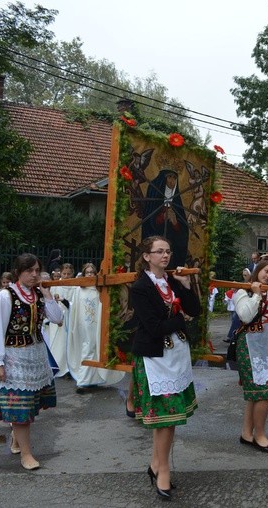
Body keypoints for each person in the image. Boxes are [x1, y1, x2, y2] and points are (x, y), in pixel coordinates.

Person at [129, 236, 201, 501]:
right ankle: (163, 471)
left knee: (170, 419)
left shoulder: (170, 281)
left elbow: (196, 309)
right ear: (146, 256)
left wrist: (185, 286)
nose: (165, 255)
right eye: (159, 251)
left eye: (168, 251)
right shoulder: (140, 287)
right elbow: (153, 327)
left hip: (176, 356)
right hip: (155, 359)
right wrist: (181, 320)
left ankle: (155, 464)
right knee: (166, 418)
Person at [0, 253, 64, 470]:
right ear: (18, 273)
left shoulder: (39, 294)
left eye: (36, 270)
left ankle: (16, 436)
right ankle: (26, 454)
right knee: (21, 409)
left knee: (30, 405)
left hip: (36, 356)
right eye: (29, 271)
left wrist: (48, 295)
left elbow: (58, 319)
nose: (34, 275)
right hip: (14, 358)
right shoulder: (6, 296)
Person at [232, 255, 268, 453]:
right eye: (266, 271)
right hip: (249, 343)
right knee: (263, 391)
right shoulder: (242, 292)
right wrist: (256, 295)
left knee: (257, 393)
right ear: (257, 270)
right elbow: (245, 316)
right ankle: (260, 435)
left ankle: (247, 433)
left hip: (267, 344)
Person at [67, 263, 125, 393]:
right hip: (85, 324)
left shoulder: (100, 289)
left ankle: (92, 379)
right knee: (88, 347)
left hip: (98, 324)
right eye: (87, 272)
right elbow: (75, 308)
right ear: (83, 274)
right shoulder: (79, 290)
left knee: (97, 348)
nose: (90, 275)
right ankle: (82, 380)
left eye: (92, 272)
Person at [141, 168, 190, 268]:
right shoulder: (154, 194)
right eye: (169, 177)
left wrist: (175, 223)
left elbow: (183, 232)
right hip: (156, 245)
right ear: (163, 179)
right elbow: (148, 222)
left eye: (175, 178)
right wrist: (162, 217)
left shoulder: (176, 202)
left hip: (173, 249)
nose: (172, 181)